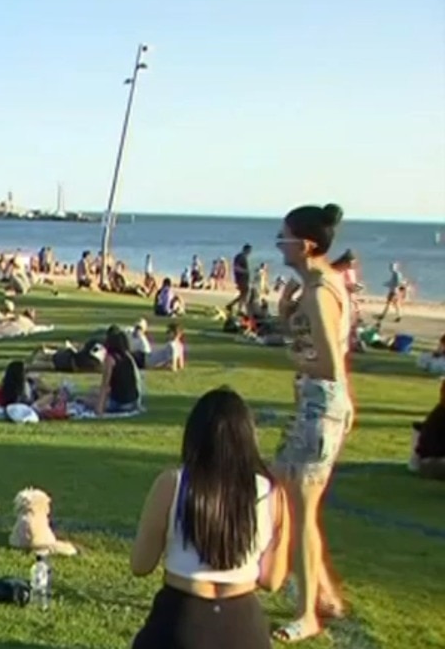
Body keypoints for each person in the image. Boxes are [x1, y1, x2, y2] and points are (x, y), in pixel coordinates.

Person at [130, 387, 291, 649]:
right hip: (244, 629)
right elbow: (272, 580)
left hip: (181, 622)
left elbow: (140, 564)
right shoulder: (272, 493)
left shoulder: (172, 484)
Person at [272, 203, 354, 642]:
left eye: (282, 236)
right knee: (288, 494)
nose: (278, 242)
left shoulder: (322, 290)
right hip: (317, 404)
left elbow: (327, 361)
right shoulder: (319, 286)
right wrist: (287, 317)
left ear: (305, 245)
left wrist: (292, 355)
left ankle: (308, 614)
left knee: (301, 512)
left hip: (319, 406)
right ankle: (323, 597)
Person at [93, 329, 143, 416]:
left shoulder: (110, 359)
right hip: (133, 402)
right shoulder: (128, 357)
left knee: (87, 400)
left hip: (121, 404)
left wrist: (99, 409)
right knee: (93, 391)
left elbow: (105, 385)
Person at [226, 244, 253, 315]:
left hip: (244, 279)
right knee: (244, 294)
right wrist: (245, 271)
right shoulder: (240, 257)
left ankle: (232, 305)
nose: (250, 252)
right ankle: (239, 309)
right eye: (249, 251)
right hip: (241, 279)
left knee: (243, 294)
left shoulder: (243, 257)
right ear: (246, 250)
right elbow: (236, 267)